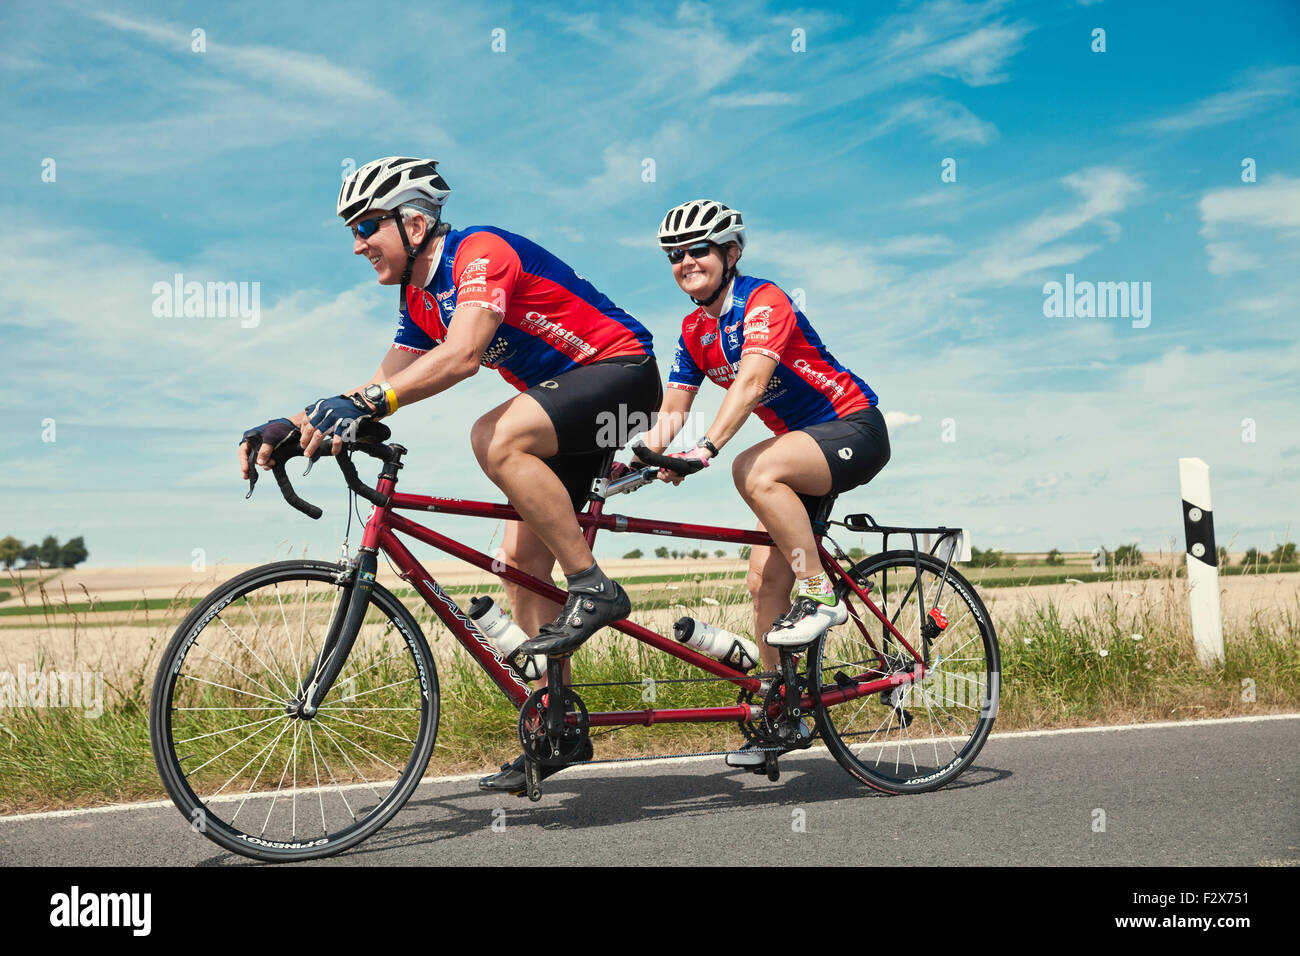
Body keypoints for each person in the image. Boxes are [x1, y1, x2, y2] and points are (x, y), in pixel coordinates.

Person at [237, 157, 661, 793]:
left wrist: (365, 406)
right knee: (519, 568)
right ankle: (560, 728)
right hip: (566, 405)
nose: (357, 244)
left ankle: (594, 585)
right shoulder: (417, 297)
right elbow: (384, 381)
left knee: (493, 435)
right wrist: (291, 425)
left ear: (413, 222)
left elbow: (462, 356)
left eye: (366, 226)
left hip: (622, 378)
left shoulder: (479, 254)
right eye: (352, 230)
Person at [632, 199, 890, 767]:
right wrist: (642, 460)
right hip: (799, 452)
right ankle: (781, 713)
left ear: (730, 253)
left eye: (698, 250)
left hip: (852, 428)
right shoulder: (694, 328)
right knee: (762, 582)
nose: (685, 262)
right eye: (675, 255)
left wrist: (707, 448)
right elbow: (673, 407)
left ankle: (822, 594)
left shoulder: (763, 300)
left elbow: (749, 383)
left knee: (751, 467)